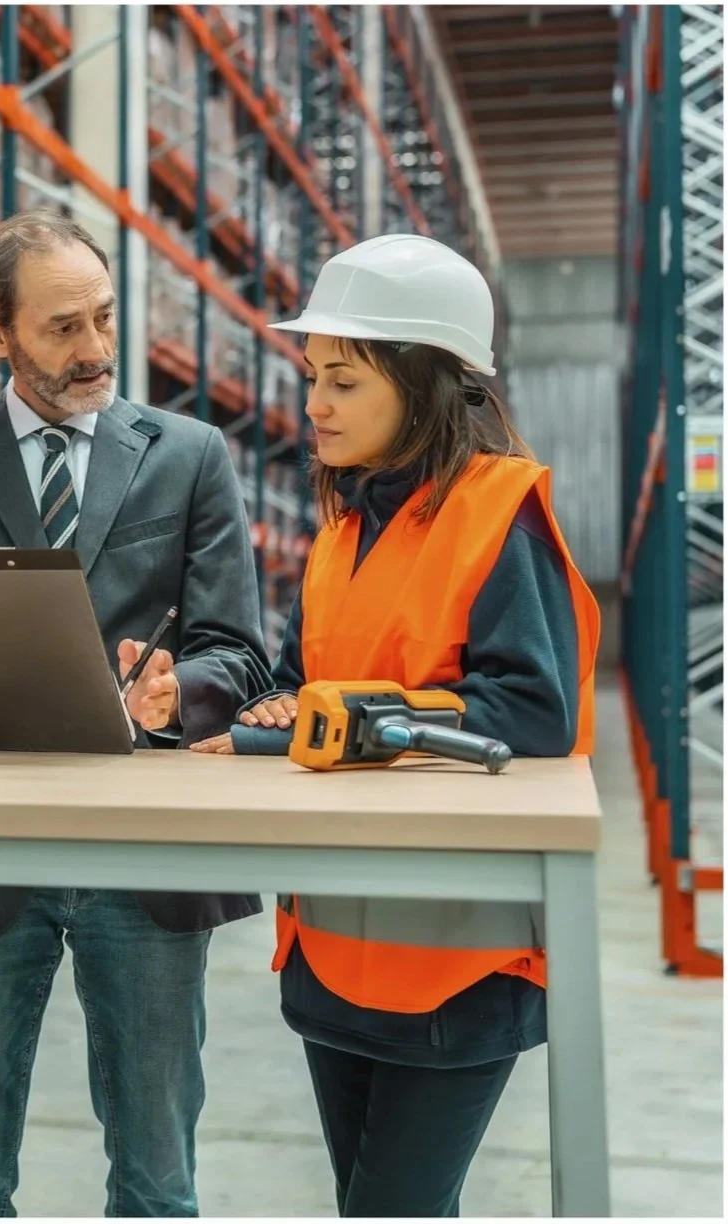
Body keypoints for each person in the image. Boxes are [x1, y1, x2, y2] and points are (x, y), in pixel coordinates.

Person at [0, 210, 272, 1217]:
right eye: (60, 328)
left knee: (154, 1176)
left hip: (144, 854)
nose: (93, 349)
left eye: (101, 318)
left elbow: (245, 652)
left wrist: (185, 693)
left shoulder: (187, 457)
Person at [192, 234, 600, 1217]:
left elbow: (529, 715)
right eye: (310, 379)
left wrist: (351, 720)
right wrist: (250, 714)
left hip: (458, 959)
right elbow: (303, 687)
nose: (313, 405)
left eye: (341, 380)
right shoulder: (340, 536)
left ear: (418, 386)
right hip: (335, 941)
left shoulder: (496, 512)